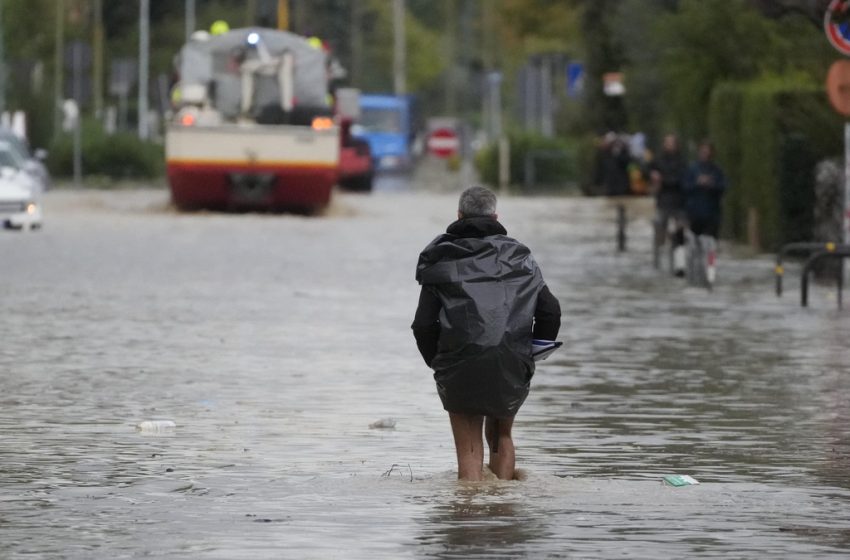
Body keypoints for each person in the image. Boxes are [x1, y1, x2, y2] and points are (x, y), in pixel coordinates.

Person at [411, 186, 561, 481]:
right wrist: (532, 353)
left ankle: (470, 516)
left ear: (458, 215)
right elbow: (550, 311)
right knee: (501, 436)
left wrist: (438, 362)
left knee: (469, 449)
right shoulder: (521, 258)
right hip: (510, 359)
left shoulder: (441, 258)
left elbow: (423, 324)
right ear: (495, 216)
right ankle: (503, 513)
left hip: (459, 363)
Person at [649, 134, 688, 276]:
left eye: (672, 143)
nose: (670, 145)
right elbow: (648, 172)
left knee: (679, 235)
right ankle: (657, 263)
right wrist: (654, 178)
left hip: (679, 203)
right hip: (663, 202)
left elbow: (681, 179)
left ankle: (679, 266)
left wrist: (663, 181)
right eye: (668, 143)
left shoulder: (682, 161)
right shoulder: (658, 160)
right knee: (659, 232)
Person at [684, 140, 726, 239]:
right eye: (703, 152)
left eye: (708, 152)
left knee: (711, 244)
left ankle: (711, 255)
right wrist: (697, 183)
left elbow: (723, 187)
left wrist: (712, 184)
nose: (706, 155)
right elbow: (685, 187)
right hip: (695, 213)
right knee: (695, 242)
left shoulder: (717, 170)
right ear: (699, 152)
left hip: (712, 213)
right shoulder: (692, 169)